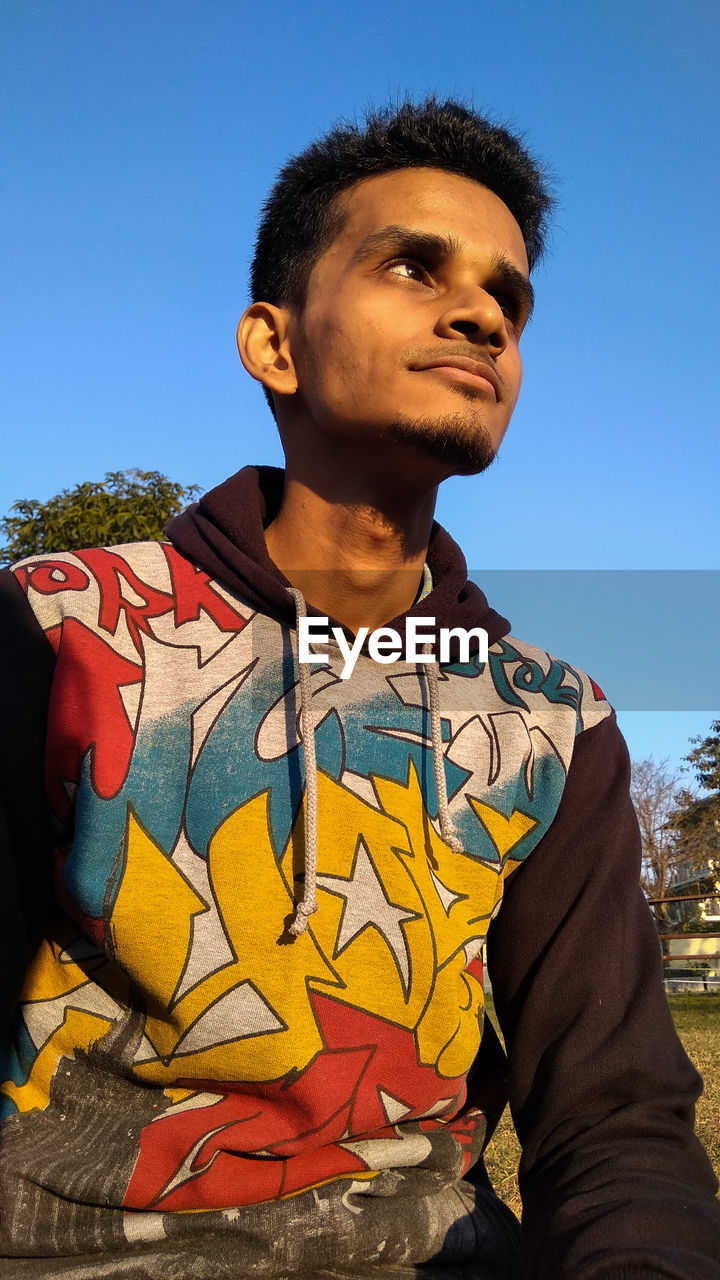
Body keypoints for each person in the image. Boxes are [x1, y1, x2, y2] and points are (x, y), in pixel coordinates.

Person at [0, 99, 718, 1280]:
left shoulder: (552, 721)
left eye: (509, 297)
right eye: (411, 265)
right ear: (274, 344)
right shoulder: (54, 631)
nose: (482, 311)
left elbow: (614, 1117)